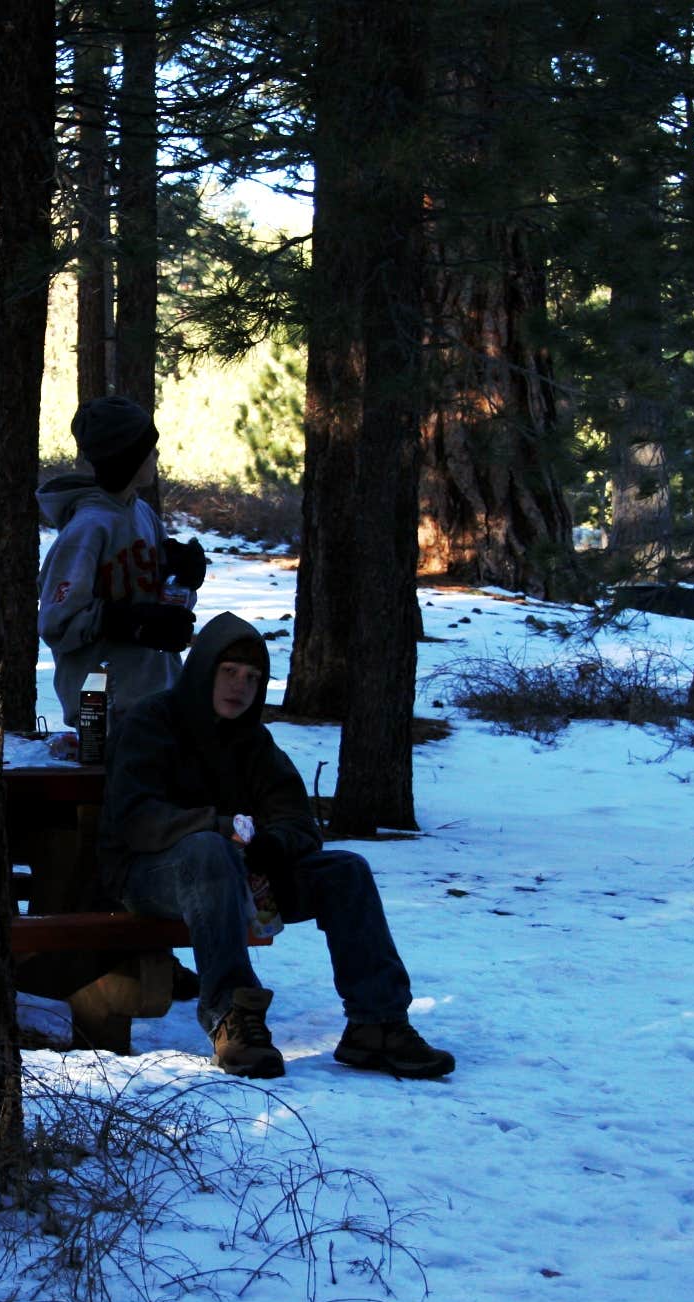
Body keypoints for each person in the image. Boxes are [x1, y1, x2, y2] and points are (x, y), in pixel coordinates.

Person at [99, 612, 455, 1081]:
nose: (239, 686)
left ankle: (377, 1022)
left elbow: (297, 819)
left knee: (345, 871)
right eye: (228, 672)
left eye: (252, 678)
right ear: (204, 669)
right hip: (148, 876)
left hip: (236, 872)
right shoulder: (153, 722)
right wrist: (217, 826)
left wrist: (273, 842)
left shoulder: (253, 741)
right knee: (209, 850)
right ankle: (233, 1017)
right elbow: (134, 818)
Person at [37, 395, 208, 728]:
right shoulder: (87, 530)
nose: (156, 454)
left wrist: (184, 580)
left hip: (160, 698)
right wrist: (124, 621)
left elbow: (161, 610)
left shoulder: (142, 513)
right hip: (107, 712)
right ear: (128, 458)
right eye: (149, 447)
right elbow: (56, 623)